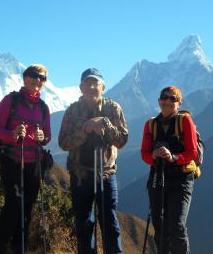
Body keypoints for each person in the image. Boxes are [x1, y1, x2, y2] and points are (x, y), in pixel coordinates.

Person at [58, 68, 128, 254]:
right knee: (83, 224)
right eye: (87, 83)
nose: (91, 87)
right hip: (80, 175)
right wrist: (86, 129)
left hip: (105, 174)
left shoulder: (113, 109)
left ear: (103, 87)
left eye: (95, 83)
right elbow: (63, 142)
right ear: (81, 87)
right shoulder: (72, 111)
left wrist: (104, 126)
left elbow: (121, 140)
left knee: (110, 223)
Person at [0, 64, 51, 254]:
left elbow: (47, 135)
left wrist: (43, 138)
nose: (38, 80)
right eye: (34, 75)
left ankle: (19, 248)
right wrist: (13, 135)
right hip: (12, 161)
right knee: (13, 205)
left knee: (27, 208)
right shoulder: (10, 101)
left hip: (34, 165)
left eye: (42, 78)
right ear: (25, 78)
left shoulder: (43, 108)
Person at [141, 86, 198, 254]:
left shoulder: (185, 121)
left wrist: (173, 157)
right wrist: (154, 155)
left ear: (179, 103)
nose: (167, 101)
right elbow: (144, 154)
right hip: (158, 177)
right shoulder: (150, 125)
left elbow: (193, 152)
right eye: (164, 98)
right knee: (160, 227)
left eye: (172, 98)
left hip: (181, 179)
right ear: (159, 101)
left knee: (177, 226)